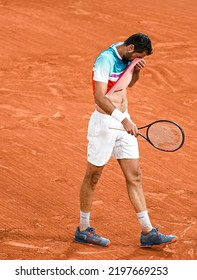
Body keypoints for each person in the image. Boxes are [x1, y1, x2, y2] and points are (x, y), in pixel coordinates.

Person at [74, 33, 178, 247]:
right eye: (137, 56)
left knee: (135, 177)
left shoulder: (127, 58)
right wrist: (123, 120)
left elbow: (124, 87)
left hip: (124, 122)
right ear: (130, 47)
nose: (137, 60)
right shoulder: (105, 60)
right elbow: (100, 97)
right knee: (93, 177)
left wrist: (137, 74)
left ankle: (147, 232)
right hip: (105, 124)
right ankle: (83, 229)